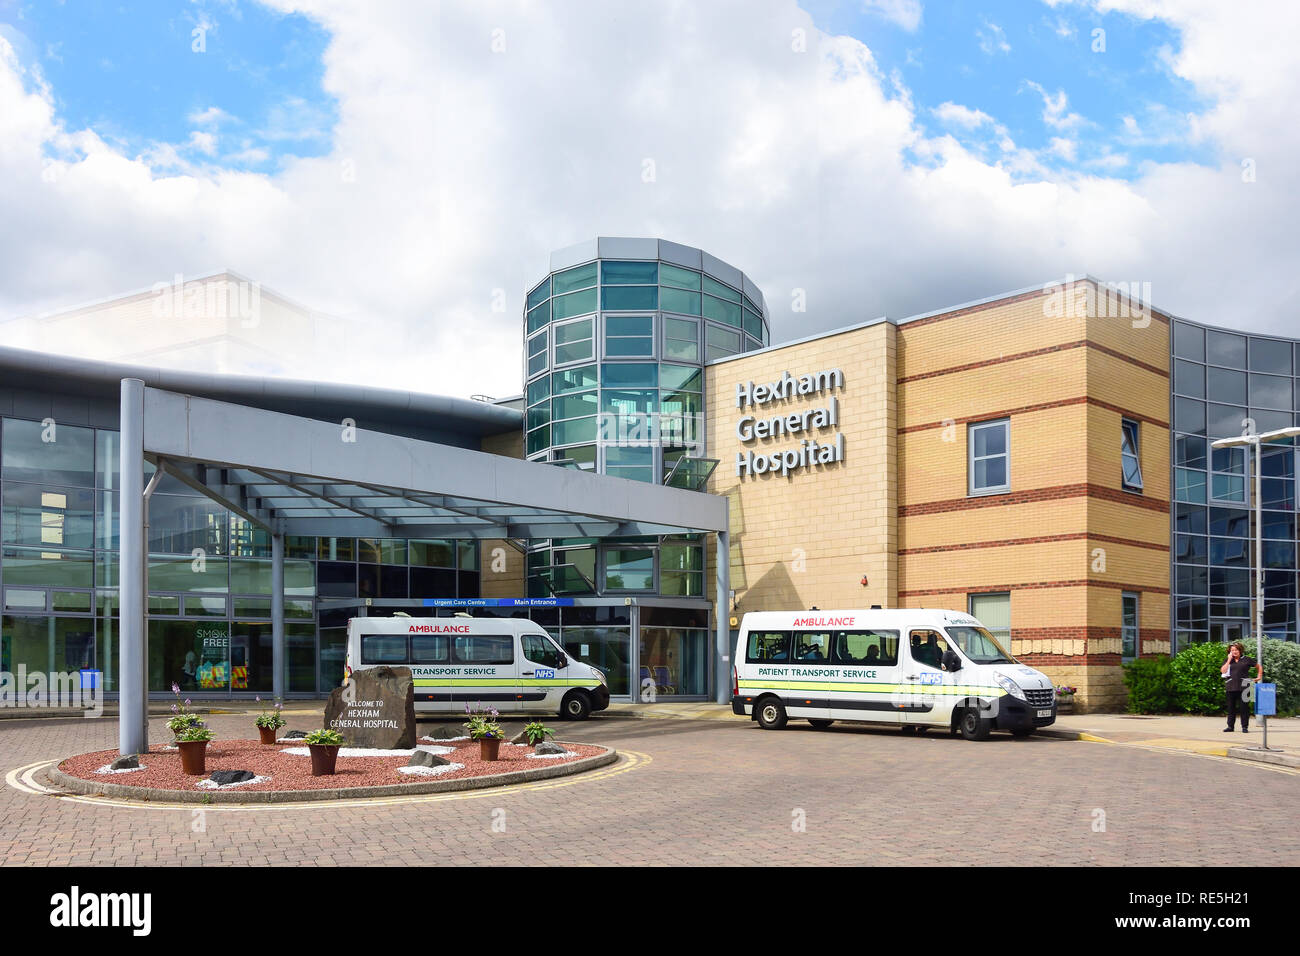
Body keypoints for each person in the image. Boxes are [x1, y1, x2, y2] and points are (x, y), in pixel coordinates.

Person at [1221, 641, 1263, 733]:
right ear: (1229, 651)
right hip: (1231, 686)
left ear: (1240, 650)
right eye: (1232, 650)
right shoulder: (1227, 660)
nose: (1234, 652)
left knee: (1244, 708)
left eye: (1236, 650)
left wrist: (1259, 676)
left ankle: (1245, 727)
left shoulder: (1247, 659)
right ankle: (1230, 726)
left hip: (1246, 685)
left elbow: (1258, 666)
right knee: (1231, 708)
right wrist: (1228, 660)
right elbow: (1223, 671)